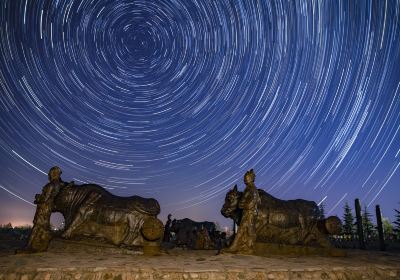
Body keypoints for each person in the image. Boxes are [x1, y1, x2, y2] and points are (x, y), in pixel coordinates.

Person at [23, 167, 65, 252]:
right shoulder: (57, 184)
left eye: (50, 173)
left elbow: (45, 198)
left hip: (44, 207)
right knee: (43, 226)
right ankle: (41, 244)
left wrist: (38, 198)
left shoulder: (51, 185)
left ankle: (29, 246)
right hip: (48, 207)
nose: (49, 174)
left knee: (37, 225)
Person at [223, 169, 260, 254]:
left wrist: (243, 205)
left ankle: (249, 248)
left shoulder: (253, 189)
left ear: (251, 178)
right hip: (246, 213)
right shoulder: (248, 189)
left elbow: (253, 201)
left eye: (246, 178)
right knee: (241, 230)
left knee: (250, 230)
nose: (244, 179)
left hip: (250, 213)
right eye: (244, 178)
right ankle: (233, 247)